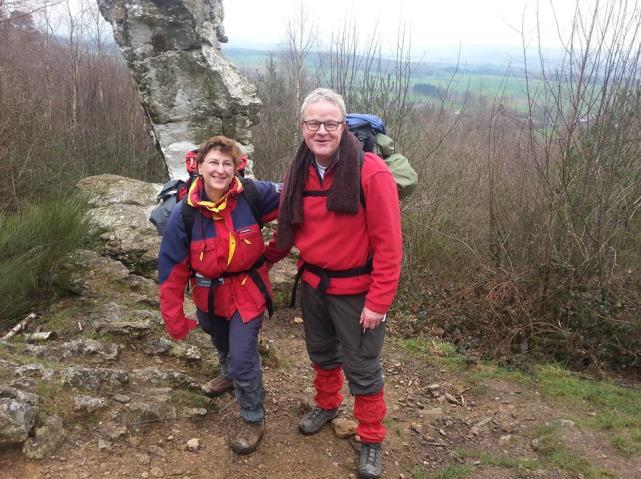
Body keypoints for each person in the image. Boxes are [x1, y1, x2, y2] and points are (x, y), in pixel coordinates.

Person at [264, 88, 402, 479]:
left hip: (357, 293)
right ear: (302, 126)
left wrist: (379, 301)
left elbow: (390, 245)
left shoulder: (371, 171)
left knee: (362, 367)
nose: (321, 130)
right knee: (322, 354)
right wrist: (262, 260)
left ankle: (372, 437)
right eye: (313, 123)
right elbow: (288, 228)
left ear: (343, 127)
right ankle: (327, 405)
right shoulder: (297, 170)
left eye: (330, 123)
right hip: (314, 286)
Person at [158, 136, 280, 454]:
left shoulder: (252, 194)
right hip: (208, 294)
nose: (220, 170)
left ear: (236, 167)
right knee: (219, 338)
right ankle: (228, 375)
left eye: (227, 163)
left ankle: (253, 417)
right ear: (199, 167)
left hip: (247, 290)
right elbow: (171, 271)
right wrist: (174, 317)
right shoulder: (184, 214)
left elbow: (295, 198)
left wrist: (278, 249)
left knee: (243, 355)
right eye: (213, 162)